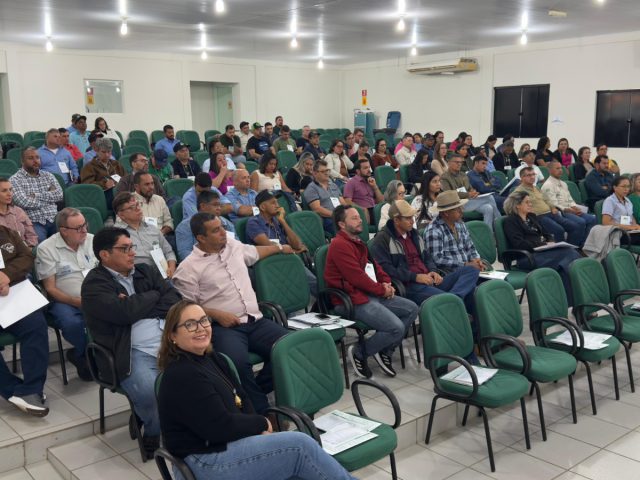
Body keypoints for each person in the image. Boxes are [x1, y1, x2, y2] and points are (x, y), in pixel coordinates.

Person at [156, 300, 356, 480]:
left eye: (203, 321)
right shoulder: (181, 374)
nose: (200, 328)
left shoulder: (213, 358)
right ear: (173, 335)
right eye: (190, 324)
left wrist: (259, 432)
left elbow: (243, 398)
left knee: (301, 464)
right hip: (203, 461)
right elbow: (218, 427)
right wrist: (260, 423)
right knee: (299, 446)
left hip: (225, 444)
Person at [173, 212, 294, 413]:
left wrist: (280, 247)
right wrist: (215, 314)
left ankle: (253, 393)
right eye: (216, 230)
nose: (224, 232)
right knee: (236, 364)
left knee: (291, 347)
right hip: (224, 328)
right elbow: (186, 308)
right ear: (201, 238)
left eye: (222, 227)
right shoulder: (188, 268)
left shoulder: (233, 246)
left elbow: (254, 252)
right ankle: (262, 415)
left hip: (256, 321)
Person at [82, 227, 182, 458]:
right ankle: (153, 432)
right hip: (128, 351)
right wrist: (154, 295)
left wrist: (135, 304)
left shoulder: (145, 270)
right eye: (124, 248)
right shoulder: (94, 284)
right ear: (105, 255)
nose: (132, 253)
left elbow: (175, 300)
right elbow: (123, 314)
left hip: (169, 343)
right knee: (150, 393)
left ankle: (170, 421)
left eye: (132, 247)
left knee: (205, 373)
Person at [325, 205, 419, 378]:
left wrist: (386, 283)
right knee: (396, 328)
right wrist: (382, 290)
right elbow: (357, 278)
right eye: (354, 218)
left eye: (359, 217)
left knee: (412, 309)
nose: (360, 220)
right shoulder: (339, 245)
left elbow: (375, 267)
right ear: (342, 224)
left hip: (369, 294)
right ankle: (359, 353)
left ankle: (385, 351)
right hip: (351, 300)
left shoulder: (358, 242)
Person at [370, 200, 479, 312]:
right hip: (410, 285)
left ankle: (455, 299)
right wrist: (415, 277)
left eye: (412, 217)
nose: (412, 221)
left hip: (429, 280)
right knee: (466, 292)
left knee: (472, 269)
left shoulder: (414, 234)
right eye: (407, 218)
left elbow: (427, 257)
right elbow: (386, 270)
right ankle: (452, 301)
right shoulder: (382, 239)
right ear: (396, 220)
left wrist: (433, 271)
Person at [35, 208, 96, 381]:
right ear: (63, 231)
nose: (84, 230)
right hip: (63, 300)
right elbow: (51, 289)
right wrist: (77, 302)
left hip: (95, 296)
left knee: (114, 313)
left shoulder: (92, 240)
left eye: (85, 225)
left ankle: (90, 355)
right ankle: (85, 354)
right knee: (72, 323)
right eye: (78, 228)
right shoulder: (47, 248)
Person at [0, 225, 49, 417]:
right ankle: (13, 390)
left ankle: (32, 388)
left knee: (36, 325)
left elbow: (27, 257)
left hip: (11, 296)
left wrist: (6, 276)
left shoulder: (6, 232)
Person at [502, 191, 581, 302]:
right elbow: (519, 244)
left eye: (530, 202)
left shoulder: (532, 217)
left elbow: (546, 233)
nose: (530, 204)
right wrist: (543, 244)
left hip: (542, 252)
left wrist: (551, 242)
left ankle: (568, 302)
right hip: (526, 257)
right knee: (568, 255)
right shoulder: (510, 221)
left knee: (567, 257)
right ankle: (574, 302)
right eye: (527, 202)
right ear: (517, 205)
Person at [246, 190, 317, 293]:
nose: (278, 205)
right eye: (273, 203)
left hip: (287, 259)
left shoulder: (277, 220)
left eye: (277, 202)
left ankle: (325, 301)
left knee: (314, 282)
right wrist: (294, 251)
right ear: (262, 207)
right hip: (270, 264)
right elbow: (269, 246)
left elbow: (297, 244)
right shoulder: (253, 223)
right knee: (312, 281)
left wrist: (283, 221)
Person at [515, 166, 588, 247]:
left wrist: (552, 207)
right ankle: (561, 252)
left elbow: (546, 199)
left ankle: (571, 248)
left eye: (533, 174)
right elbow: (510, 206)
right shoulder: (519, 191)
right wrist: (528, 213)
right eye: (529, 175)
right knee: (558, 230)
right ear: (522, 177)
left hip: (551, 213)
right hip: (538, 217)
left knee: (575, 227)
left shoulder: (535, 188)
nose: (532, 177)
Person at [113, 192, 177, 277]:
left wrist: (172, 267)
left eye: (137, 204)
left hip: (162, 274)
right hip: (136, 276)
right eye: (131, 207)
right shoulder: (116, 234)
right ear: (121, 215)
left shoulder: (153, 228)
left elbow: (168, 252)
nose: (138, 209)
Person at [10, 147, 63, 242]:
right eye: (30, 158)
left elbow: (59, 195)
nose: (35, 161)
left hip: (54, 218)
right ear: (22, 161)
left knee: (68, 238)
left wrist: (35, 195)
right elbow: (24, 202)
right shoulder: (15, 180)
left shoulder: (48, 175)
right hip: (33, 221)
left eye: (37, 157)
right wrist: (49, 199)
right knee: (39, 245)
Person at [424, 191, 485, 273]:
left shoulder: (460, 224)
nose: (461, 211)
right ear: (446, 213)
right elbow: (438, 259)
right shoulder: (433, 230)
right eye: (457, 209)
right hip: (451, 274)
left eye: (461, 207)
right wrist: (465, 265)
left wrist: (476, 259)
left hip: (469, 270)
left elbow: (470, 247)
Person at [440, 153, 501, 228]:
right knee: (490, 198)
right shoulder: (444, 177)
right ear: (449, 163)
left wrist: (474, 192)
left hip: (469, 201)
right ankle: (499, 222)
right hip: (457, 204)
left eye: (461, 162)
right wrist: (468, 194)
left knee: (488, 208)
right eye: (456, 162)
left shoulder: (463, 174)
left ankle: (489, 232)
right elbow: (449, 194)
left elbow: (470, 187)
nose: (459, 164)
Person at [541, 160, 596, 238]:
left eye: (561, 168)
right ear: (550, 171)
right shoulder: (548, 185)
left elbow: (570, 199)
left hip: (571, 210)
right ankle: (573, 243)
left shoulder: (564, 184)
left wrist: (575, 207)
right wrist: (569, 210)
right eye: (557, 168)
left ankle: (583, 242)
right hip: (561, 212)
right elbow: (554, 204)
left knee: (592, 219)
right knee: (581, 222)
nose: (560, 170)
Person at [176, 191, 235, 261]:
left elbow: (236, 246)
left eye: (220, 205)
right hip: (202, 264)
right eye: (215, 205)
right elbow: (185, 254)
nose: (219, 208)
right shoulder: (185, 227)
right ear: (203, 206)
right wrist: (211, 262)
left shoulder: (227, 224)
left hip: (229, 261)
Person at [80, 137, 125, 214]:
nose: (107, 155)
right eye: (103, 152)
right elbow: (87, 185)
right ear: (96, 151)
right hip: (101, 196)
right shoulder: (89, 167)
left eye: (109, 152)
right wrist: (104, 184)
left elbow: (125, 178)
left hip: (119, 193)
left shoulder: (116, 164)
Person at [303, 160, 346, 235]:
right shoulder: (311, 188)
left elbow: (343, 202)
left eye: (327, 170)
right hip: (327, 219)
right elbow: (317, 209)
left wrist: (347, 213)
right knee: (347, 229)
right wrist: (336, 216)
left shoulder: (333, 185)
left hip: (340, 216)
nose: (326, 173)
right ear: (315, 173)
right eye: (323, 171)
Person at [343, 159, 384, 224]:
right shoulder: (351, 183)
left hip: (375, 209)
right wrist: (361, 209)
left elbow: (381, 201)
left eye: (369, 167)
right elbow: (347, 201)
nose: (369, 170)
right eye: (365, 168)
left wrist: (375, 187)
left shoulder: (371, 181)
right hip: (363, 212)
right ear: (358, 171)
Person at [0, 177, 38, 247]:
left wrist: (30, 247)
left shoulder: (19, 211)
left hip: (24, 250)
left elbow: (31, 235)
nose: (9, 194)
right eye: (4, 191)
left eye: (10, 190)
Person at [601, 176, 640, 244]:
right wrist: (629, 227)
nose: (626, 189)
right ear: (615, 187)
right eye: (623, 186)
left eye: (628, 186)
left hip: (630, 232)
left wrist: (636, 226)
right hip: (618, 234)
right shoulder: (610, 201)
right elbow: (606, 222)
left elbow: (631, 217)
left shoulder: (627, 200)